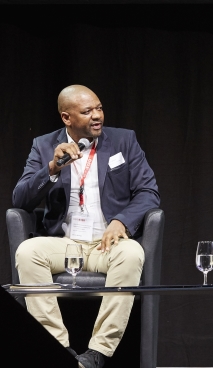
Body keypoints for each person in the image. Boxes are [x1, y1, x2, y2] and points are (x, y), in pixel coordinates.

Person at [13, 85, 160, 368]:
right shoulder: (43, 145)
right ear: (67, 118)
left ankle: (97, 353)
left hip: (108, 242)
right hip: (66, 244)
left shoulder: (123, 141)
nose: (97, 116)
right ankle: (58, 348)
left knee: (132, 255)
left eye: (99, 108)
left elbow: (148, 191)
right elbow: (21, 199)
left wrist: (121, 222)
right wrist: (52, 168)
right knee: (27, 252)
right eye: (87, 111)